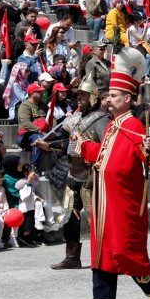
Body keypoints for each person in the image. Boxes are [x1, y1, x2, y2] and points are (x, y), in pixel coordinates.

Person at [76, 49, 150, 299]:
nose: (107, 99)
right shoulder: (112, 126)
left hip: (122, 200)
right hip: (104, 198)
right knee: (102, 248)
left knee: (123, 249)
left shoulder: (135, 126)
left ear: (127, 98)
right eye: (107, 96)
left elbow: (148, 155)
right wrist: (83, 144)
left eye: (113, 96)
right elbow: (103, 156)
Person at [50, 74, 110, 270]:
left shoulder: (101, 119)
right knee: (69, 215)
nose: (79, 98)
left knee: (94, 217)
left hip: (90, 176)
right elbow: (69, 145)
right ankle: (72, 257)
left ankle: (107, 255)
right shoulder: (76, 119)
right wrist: (48, 146)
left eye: (83, 95)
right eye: (78, 95)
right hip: (72, 173)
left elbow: (105, 147)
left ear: (93, 97)